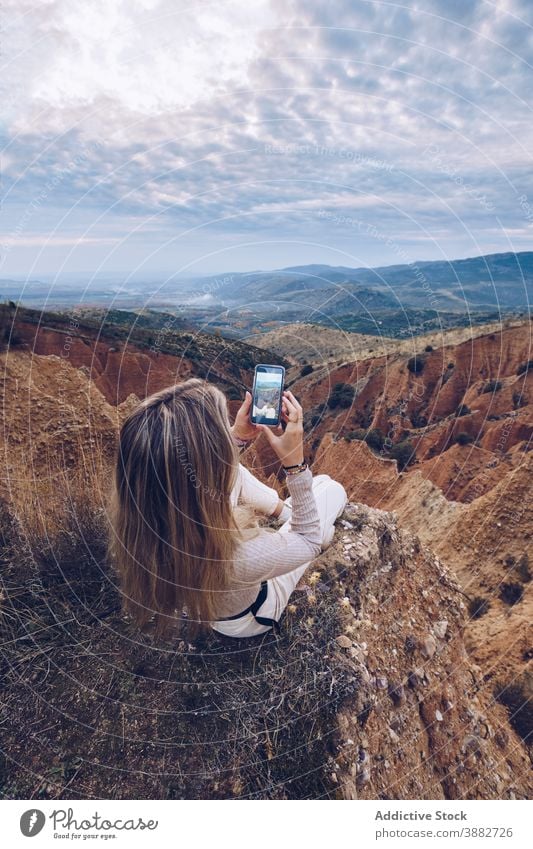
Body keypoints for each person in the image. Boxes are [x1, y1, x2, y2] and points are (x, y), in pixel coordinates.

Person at [109, 378, 347, 639]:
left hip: (215, 597)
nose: (226, 431)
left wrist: (238, 438)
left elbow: (196, 473)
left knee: (234, 471)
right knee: (330, 488)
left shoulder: (149, 517)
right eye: (223, 429)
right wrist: (295, 465)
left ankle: (285, 512)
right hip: (255, 613)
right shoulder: (235, 558)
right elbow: (308, 539)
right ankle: (292, 515)